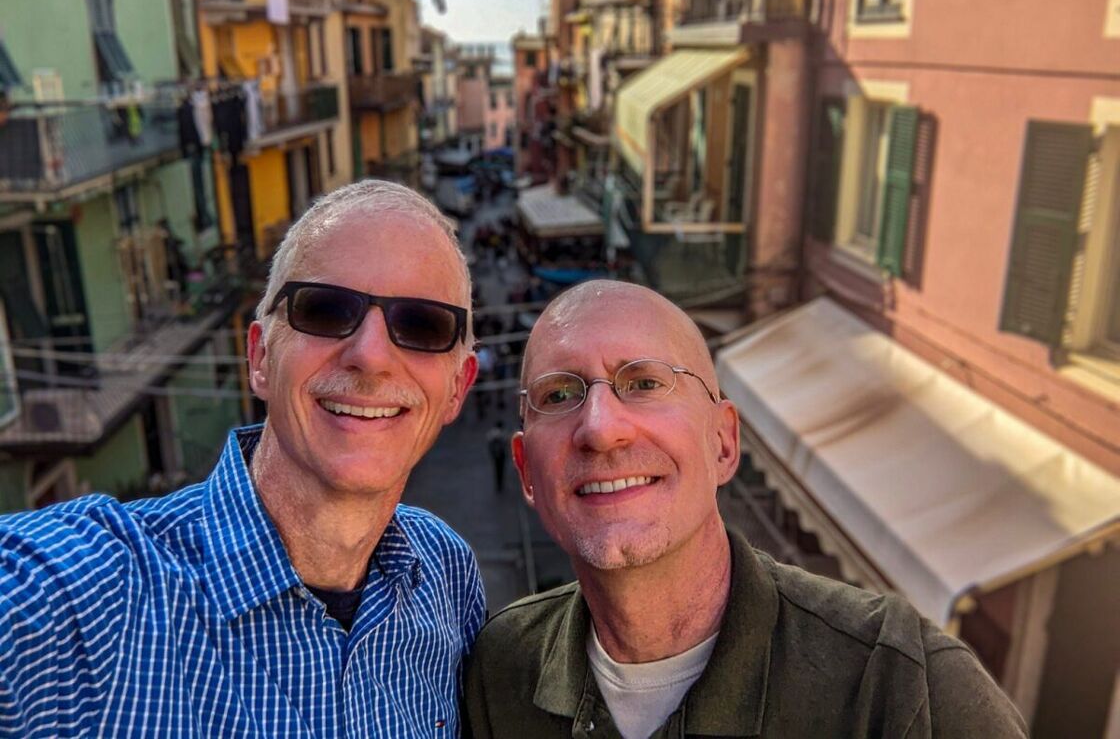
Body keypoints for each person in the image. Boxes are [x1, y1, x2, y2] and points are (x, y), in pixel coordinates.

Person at [0, 181, 484, 737]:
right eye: (325, 310)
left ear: (457, 389)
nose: (371, 356)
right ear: (259, 357)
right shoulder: (95, 599)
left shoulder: (445, 573)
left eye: (422, 325)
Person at [464, 280, 1027, 738]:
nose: (601, 428)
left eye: (644, 383)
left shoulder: (906, 689)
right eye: (559, 394)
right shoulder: (502, 669)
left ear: (723, 443)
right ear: (526, 471)